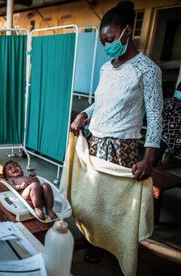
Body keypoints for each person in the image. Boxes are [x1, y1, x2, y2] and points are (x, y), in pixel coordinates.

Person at [69, 1, 163, 264]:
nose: (107, 45)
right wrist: (83, 114)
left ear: (127, 32)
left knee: (113, 207)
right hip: (95, 142)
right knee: (91, 199)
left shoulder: (147, 70)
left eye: (111, 38)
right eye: (103, 41)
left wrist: (149, 158)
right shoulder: (107, 68)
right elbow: (102, 101)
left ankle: (115, 248)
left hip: (122, 147)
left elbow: (155, 116)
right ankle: (93, 241)